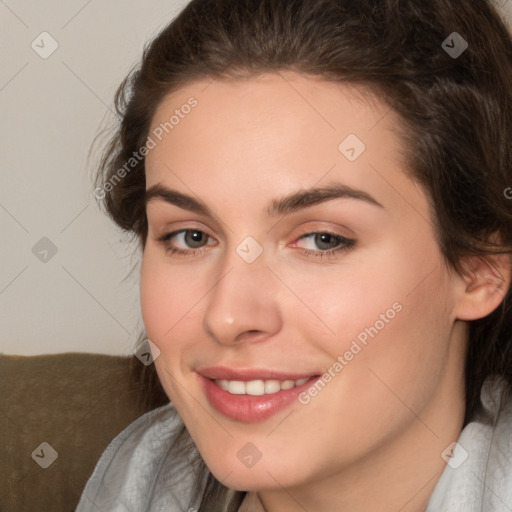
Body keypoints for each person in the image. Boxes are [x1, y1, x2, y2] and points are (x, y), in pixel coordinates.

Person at [76, 0, 512, 510]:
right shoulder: (135, 478)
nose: (228, 316)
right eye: (191, 236)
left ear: (480, 266)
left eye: (322, 239)